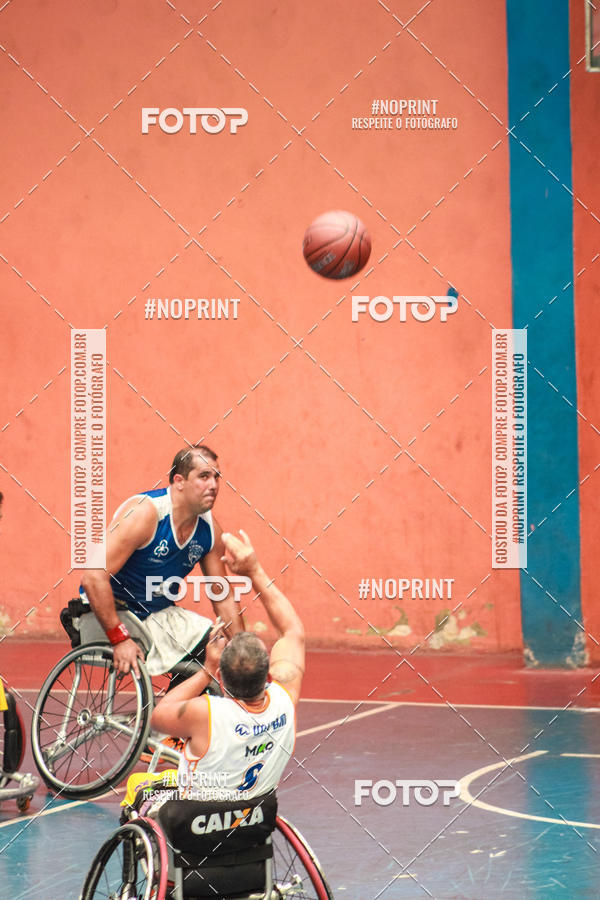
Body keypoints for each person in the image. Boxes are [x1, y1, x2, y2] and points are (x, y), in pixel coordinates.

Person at [150, 529, 304, 801]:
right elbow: (292, 631)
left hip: (197, 827)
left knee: (139, 786)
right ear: (268, 674)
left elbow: (160, 715)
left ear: (221, 678)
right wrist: (254, 570)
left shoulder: (207, 715)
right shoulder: (283, 700)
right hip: (254, 820)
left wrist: (206, 669)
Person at [80, 445, 243, 679]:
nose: (214, 485)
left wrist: (242, 650)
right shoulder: (144, 514)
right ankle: (173, 711)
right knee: (206, 650)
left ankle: (174, 711)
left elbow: (223, 595)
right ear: (179, 481)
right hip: (113, 612)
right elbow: (93, 577)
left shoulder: (209, 531)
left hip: (156, 615)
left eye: (217, 477)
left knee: (219, 647)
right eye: (204, 476)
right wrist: (119, 637)